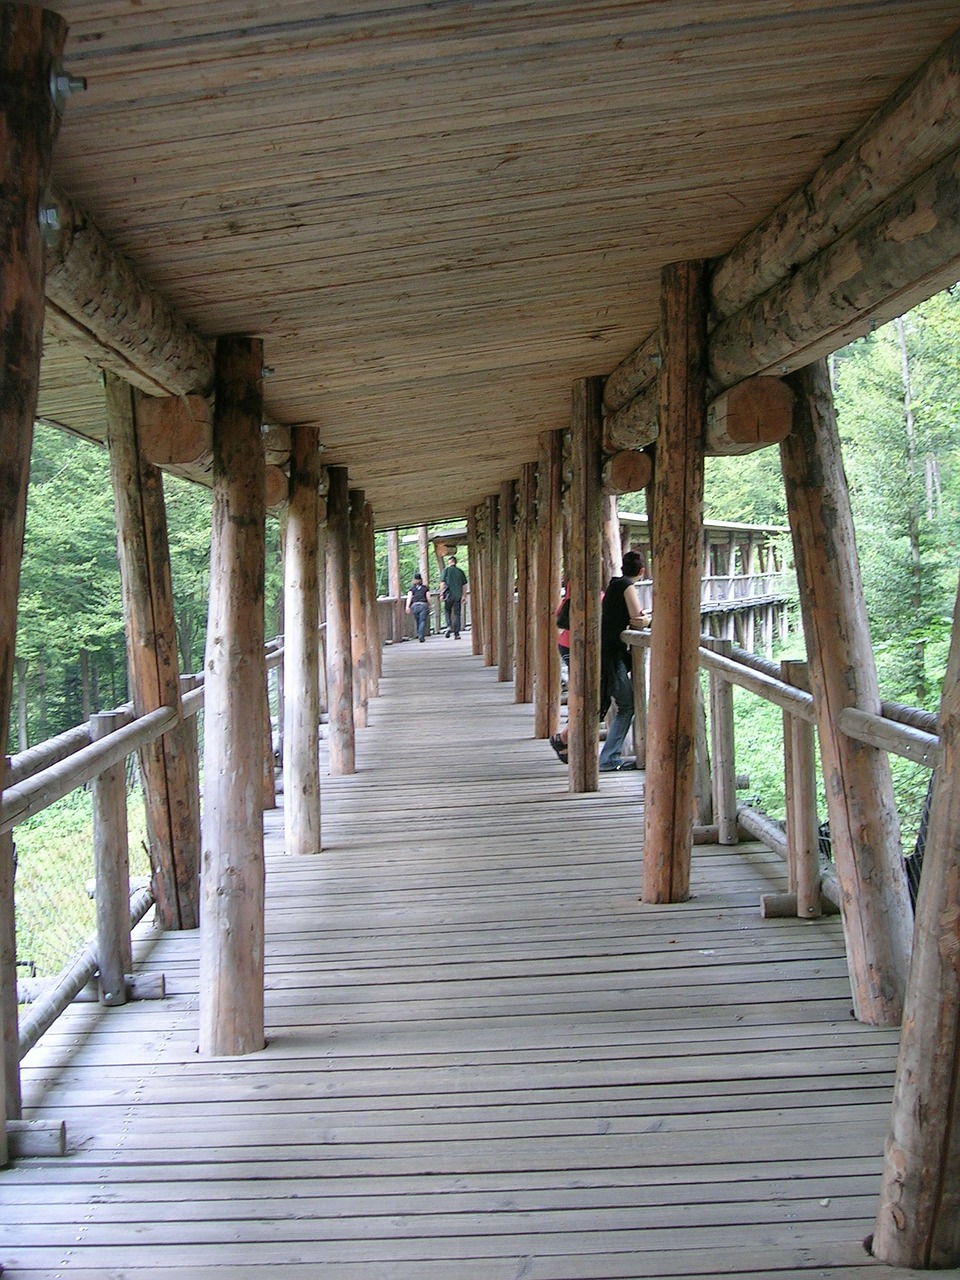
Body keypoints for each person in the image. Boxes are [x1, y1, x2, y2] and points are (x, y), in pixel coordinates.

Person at [548, 551, 649, 770]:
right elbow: (638, 618)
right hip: (609, 656)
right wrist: (648, 618)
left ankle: (565, 739)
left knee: (594, 701)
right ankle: (608, 758)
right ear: (642, 571)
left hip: (595, 651)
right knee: (624, 705)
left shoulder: (612, 585)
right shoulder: (625, 586)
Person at [439, 554, 468, 638]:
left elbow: (443, 583)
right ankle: (456, 633)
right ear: (455, 562)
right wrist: (463, 596)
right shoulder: (460, 571)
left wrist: (441, 594)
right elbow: (464, 585)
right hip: (457, 596)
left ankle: (448, 626)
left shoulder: (446, 570)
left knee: (447, 611)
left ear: (449, 562)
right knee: (457, 614)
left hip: (448, 595)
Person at [405, 572, 431, 642]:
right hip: (423, 605)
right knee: (422, 621)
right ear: (421, 579)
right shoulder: (425, 588)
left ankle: (418, 633)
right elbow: (428, 598)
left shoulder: (412, 588)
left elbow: (409, 598)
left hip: (415, 605)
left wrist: (407, 606)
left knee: (417, 620)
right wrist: (429, 605)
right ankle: (421, 635)